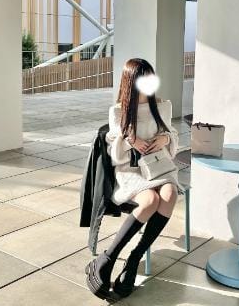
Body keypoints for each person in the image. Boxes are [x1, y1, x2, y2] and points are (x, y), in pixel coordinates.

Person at [87, 58, 180, 299]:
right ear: (131, 82)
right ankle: (107, 258)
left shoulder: (162, 106)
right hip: (130, 170)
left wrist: (165, 139)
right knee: (150, 200)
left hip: (158, 168)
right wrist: (130, 140)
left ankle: (134, 258)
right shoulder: (118, 111)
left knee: (169, 194)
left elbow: (172, 134)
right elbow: (114, 154)